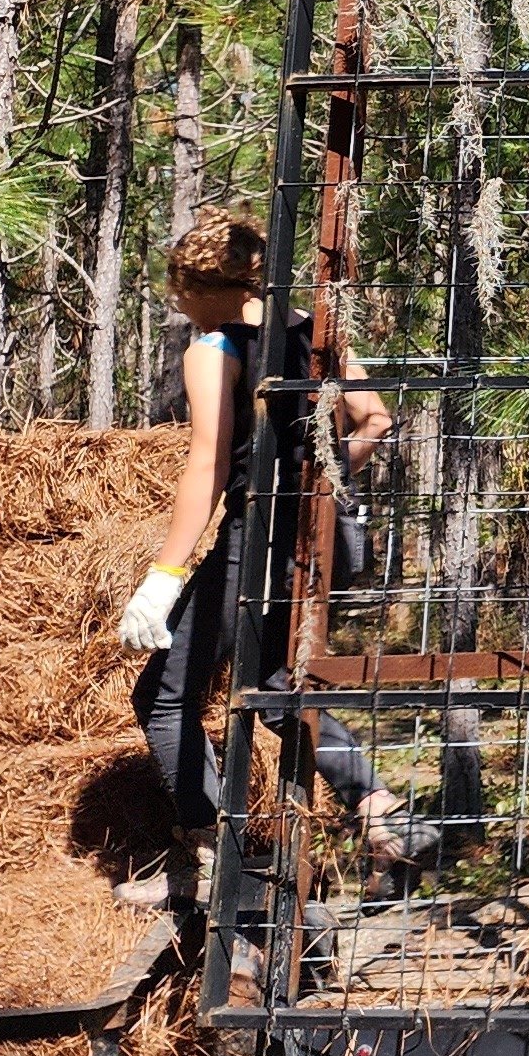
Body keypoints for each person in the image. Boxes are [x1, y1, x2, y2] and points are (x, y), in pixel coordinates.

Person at [115, 212, 415, 911]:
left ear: (202, 285)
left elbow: (208, 467)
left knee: (162, 698)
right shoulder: (314, 330)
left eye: (179, 292)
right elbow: (375, 418)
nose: (178, 306)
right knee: (278, 683)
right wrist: (321, 482)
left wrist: (163, 577)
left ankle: (212, 861)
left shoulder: (215, 347)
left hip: (259, 542)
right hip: (329, 536)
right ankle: (382, 813)